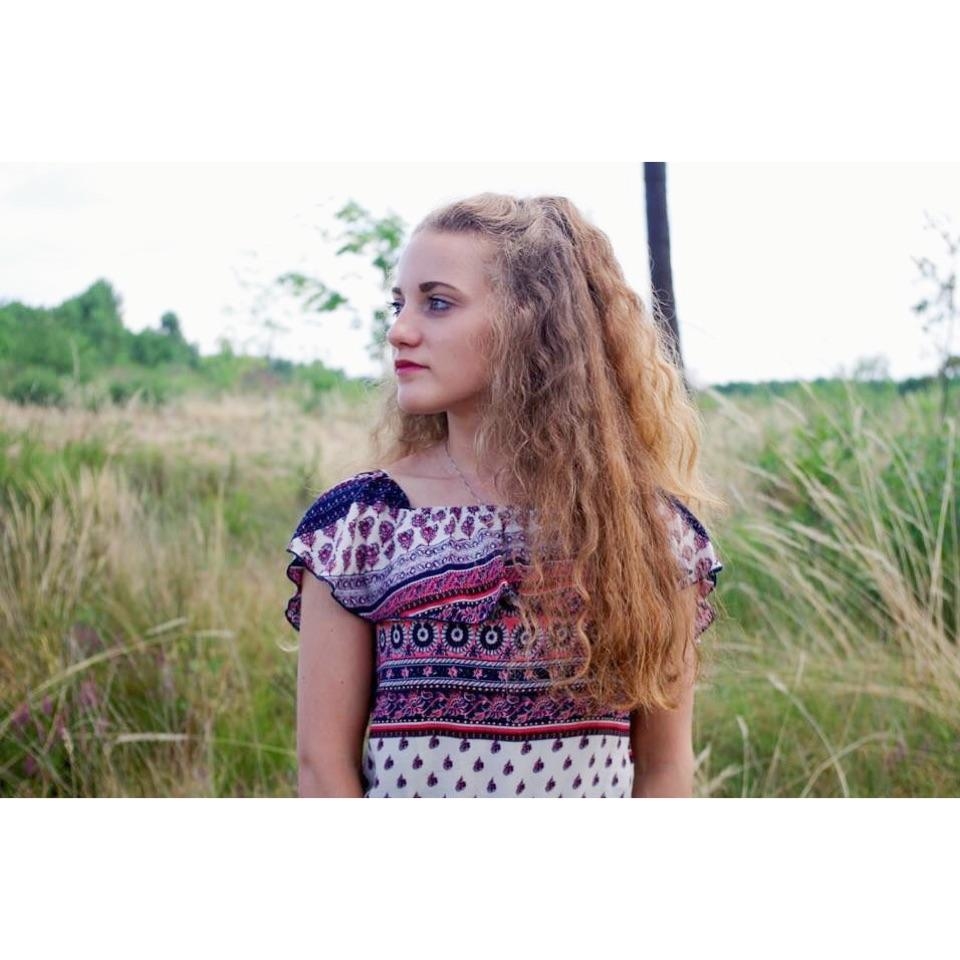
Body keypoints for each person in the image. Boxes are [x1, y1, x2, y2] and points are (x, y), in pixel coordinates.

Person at [284, 193, 725, 798]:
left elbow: (664, 767)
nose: (399, 330)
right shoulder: (359, 527)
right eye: (399, 303)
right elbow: (322, 767)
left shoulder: (647, 531)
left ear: (529, 321)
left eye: (437, 303)